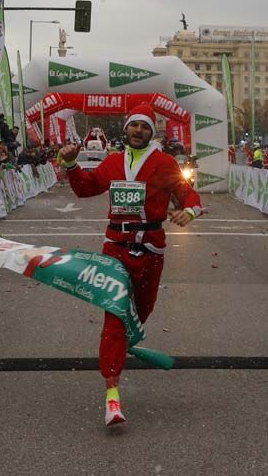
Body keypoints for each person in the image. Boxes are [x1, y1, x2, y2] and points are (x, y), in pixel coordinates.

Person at [57, 103, 202, 426]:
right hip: (116, 249)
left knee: (140, 313)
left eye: (145, 127)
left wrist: (188, 212)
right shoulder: (112, 162)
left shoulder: (164, 163)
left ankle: (124, 346)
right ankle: (112, 395)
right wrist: (70, 165)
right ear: (126, 129)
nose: (138, 131)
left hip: (151, 250)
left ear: (152, 132)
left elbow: (189, 195)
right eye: (134, 126)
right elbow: (85, 188)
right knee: (116, 316)